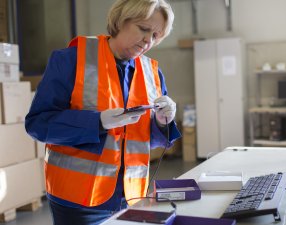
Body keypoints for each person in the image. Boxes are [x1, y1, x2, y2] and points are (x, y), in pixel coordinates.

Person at [25, 0, 180, 224]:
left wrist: (163, 122)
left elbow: (150, 140)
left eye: (155, 36)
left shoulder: (152, 72)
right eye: (143, 29)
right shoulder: (71, 59)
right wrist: (97, 122)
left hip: (132, 196)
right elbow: (38, 124)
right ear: (120, 21)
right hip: (77, 201)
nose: (148, 40)